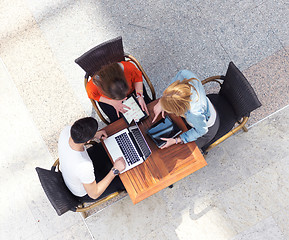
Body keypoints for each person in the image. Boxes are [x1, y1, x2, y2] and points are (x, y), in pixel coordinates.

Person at [58, 117, 126, 202]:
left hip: (73, 173)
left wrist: (94, 135)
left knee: (105, 148)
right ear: (88, 141)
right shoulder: (84, 165)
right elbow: (94, 194)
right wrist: (115, 170)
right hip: (87, 192)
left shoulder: (66, 131)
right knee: (126, 179)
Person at [152, 70, 220, 150]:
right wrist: (162, 102)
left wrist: (176, 140)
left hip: (207, 128)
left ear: (179, 110)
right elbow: (173, 85)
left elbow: (201, 131)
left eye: (170, 110)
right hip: (203, 110)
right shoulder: (184, 75)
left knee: (183, 150)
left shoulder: (193, 112)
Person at [86, 61, 151, 122]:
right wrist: (112, 102)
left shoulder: (128, 67)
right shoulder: (92, 87)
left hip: (133, 91)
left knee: (148, 109)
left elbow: (137, 78)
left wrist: (140, 96)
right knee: (118, 122)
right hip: (110, 101)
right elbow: (94, 96)